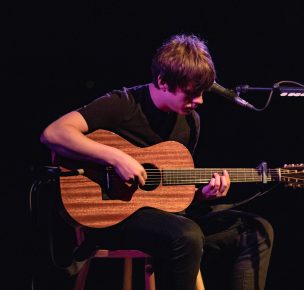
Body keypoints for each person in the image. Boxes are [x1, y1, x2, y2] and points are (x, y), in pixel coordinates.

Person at [40, 34, 273, 290]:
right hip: (110, 218)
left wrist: (202, 195)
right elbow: (54, 133)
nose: (200, 101)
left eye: (202, 93)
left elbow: (168, 194)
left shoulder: (190, 122)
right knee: (186, 236)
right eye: (192, 93)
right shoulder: (123, 104)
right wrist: (117, 158)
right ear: (163, 81)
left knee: (255, 230)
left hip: (163, 219)